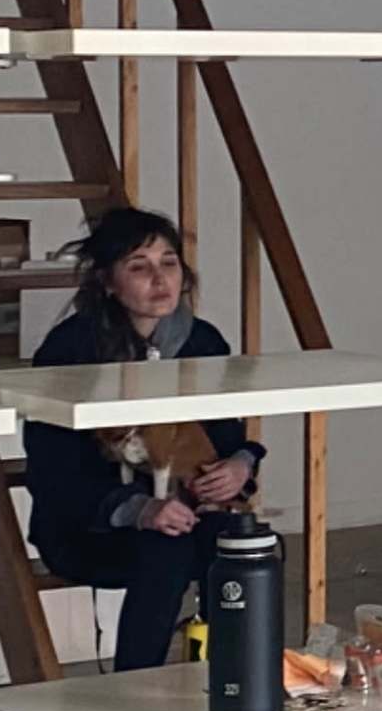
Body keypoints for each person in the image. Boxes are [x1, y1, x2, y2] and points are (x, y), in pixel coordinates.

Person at [22, 206, 268, 673]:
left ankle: (237, 675)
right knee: (166, 549)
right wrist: (139, 510)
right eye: (139, 266)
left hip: (187, 513)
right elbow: (53, 469)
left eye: (169, 262)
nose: (160, 279)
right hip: (90, 526)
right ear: (108, 283)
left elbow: (227, 436)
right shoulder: (70, 351)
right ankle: (137, 684)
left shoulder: (203, 342)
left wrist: (238, 466)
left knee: (245, 542)